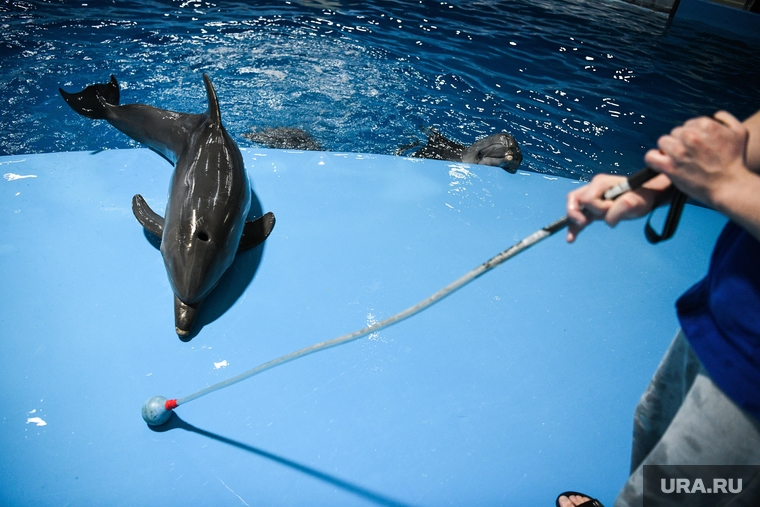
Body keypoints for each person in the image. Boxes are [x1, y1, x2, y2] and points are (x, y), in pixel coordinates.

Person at [557, 109, 760, 507]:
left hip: (753, 381)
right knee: (654, 446)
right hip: (726, 311)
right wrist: (666, 182)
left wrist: (727, 184)